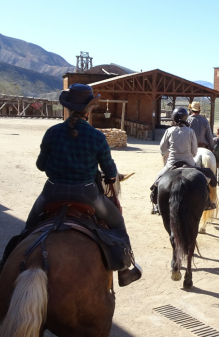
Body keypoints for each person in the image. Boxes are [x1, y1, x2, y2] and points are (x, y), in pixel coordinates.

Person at [26, 83, 141, 287]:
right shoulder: (97, 137)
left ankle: (13, 261)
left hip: (51, 191)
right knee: (118, 223)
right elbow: (110, 172)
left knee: (28, 229)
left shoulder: (52, 133)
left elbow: (40, 165)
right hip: (88, 195)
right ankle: (124, 271)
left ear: (67, 107)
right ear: (90, 109)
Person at [152, 107, 216, 212]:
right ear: (186, 118)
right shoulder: (190, 131)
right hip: (189, 162)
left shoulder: (169, 130)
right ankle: (208, 201)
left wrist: (165, 154)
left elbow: (162, 149)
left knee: (157, 180)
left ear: (174, 118)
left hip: (172, 162)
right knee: (205, 180)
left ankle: (156, 204)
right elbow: (195, 151)